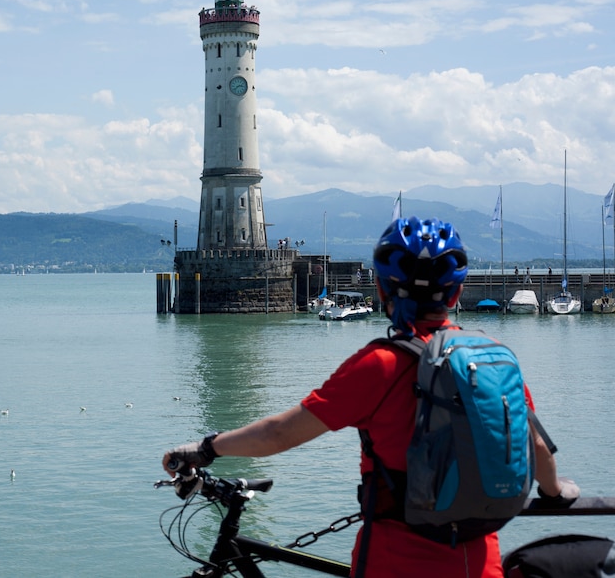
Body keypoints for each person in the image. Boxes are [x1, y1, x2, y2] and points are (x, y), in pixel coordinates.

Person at [163, 216, 579, 578]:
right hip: (479, 563)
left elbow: (277, 435)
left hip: (394, 563)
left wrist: (206, 447)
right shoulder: (492, 359)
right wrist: (557, 492)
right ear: (455, 294)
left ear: (381, 290)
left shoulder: (379, 365)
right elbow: (535, 445)